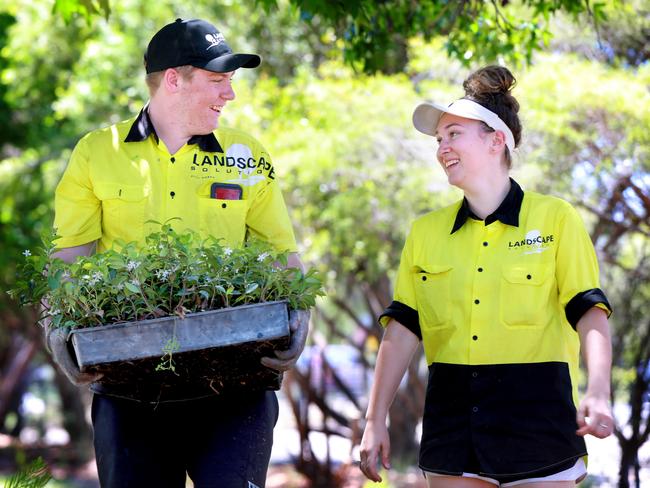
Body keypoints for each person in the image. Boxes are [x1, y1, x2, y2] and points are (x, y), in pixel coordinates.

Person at [45, 18, 309, 488]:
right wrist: (56, 325)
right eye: (217, 80)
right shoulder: (95, 154)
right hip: (129, 392)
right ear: (173, 79)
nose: (229, 94)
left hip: (236, 388)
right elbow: (70, 256)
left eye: (230, 81)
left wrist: (301, 315)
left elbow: (279, 254)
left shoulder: (247, 155)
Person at [359, 66, 613, 487]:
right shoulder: (424, 234)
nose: (442, 148)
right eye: (440, 140)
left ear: (497, 140)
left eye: (454, 134)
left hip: (540, 432)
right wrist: (374, 419)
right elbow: (403, 330)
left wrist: (599, 391)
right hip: (452, 434)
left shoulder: (556, 218)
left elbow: (589, 311)